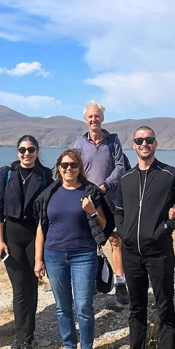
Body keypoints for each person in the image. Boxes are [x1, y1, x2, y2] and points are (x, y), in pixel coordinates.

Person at [108, 126, 175, 349]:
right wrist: (123, 231)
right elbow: (118, 210)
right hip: (132, 253)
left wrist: (165, 227)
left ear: (156, 144)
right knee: (136, 309)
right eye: (139, 140)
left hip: (159, 253)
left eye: (149, 140)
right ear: (134, 145)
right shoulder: (127, 178)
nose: (144, 144)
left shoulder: (169, 174)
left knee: (166, 310)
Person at [33, 149, 114, 349]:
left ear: (80, 168)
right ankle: (70, 347)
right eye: (65, 165)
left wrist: (91, 211)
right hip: (54, 255)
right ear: (58, 168)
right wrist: (38, 259)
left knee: (84, 306)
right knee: (62, 306)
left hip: (84, 255)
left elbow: (104, 222)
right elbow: (41, 228)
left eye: (74, 165)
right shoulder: (50, 192)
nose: (69, 169)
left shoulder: (90, 192)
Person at [0, 135, 53, 349]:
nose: (26, 154)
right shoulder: (6, 173)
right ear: (17, 151)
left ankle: (26, 339)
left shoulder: (46, 175)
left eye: (31, 149)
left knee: (32, 286)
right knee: (19, 289)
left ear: (37, 151)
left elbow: (48, 211)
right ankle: (22, 336)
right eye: (22, 150)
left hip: (36, 234)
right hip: (12, 235)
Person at [73, 101, 129, 305]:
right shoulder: (79, 143)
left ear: (102, 118)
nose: (94, 119)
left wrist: (105, 185)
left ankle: (120, 283)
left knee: (115, 239)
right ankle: (95, 280)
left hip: (111, 198)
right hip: (89, 199)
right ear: (85, 119)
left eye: (97, 116)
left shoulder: (113, 141)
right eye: (90, 116)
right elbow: (75, 169)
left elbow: (120, 167)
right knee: (90, 241)